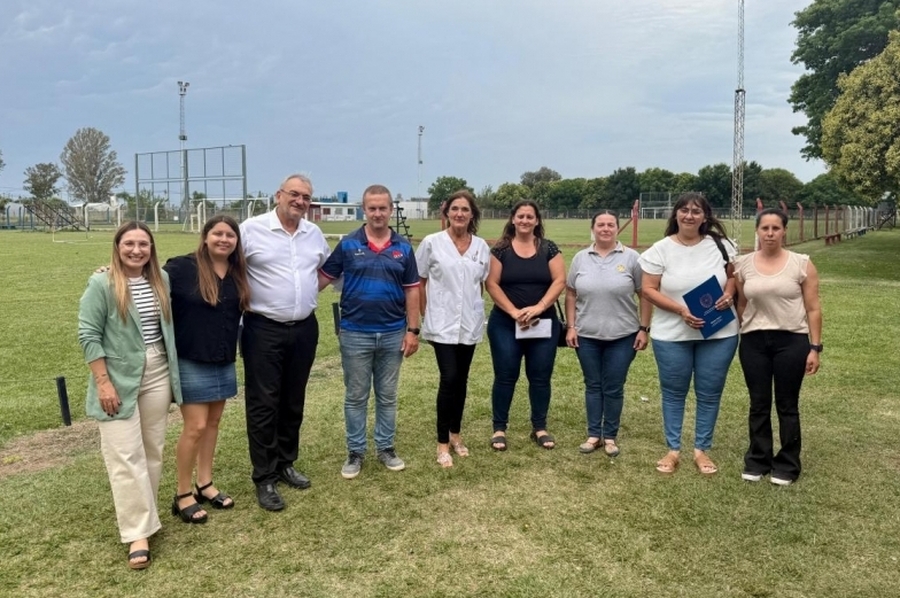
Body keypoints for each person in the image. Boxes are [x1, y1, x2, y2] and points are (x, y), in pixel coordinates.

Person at [78, 221, 182, 570]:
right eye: (129, 244)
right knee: (125, 455)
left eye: (143, 244)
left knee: (152, 449)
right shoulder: (102, 283)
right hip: (118, 376)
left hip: (158, 372)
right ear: (117, 246)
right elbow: (88, 334)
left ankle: (146, 517)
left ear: (152, 249)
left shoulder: (161, 280)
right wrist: (103, 382)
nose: (137, 250)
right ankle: (137, 533)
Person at [240, 174, 330, 511]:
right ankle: (264, 476)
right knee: (264, 403)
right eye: (294, 194)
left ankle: (285, 463)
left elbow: (326, 270)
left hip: (304, 328)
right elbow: (219, 261)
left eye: (306, 197)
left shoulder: (313, 233)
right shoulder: (251, 229)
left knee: (293, 400)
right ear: (278, 195)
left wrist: (303, 294)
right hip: (262, 328)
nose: (300, 201)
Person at [319, 184, 421, 479]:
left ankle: (386, 447)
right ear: (364, 210)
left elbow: (412, 291)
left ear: (391, 210)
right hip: (355, 333)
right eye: (372, 208)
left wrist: (413, 330)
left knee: (387, 396)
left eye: (383, 208)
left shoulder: (403, 247)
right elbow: (322, 279)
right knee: (356, 396)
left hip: (392, 332)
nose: (377, 213)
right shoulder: (349, 244)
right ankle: (355, 452)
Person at [639, 192, 738, 476]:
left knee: (709, 393)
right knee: (673, 393)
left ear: (705, 216)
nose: (690, 215)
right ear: (676, 215)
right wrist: (681, 310)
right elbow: (648, 290)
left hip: (719, 333)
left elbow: (733, 276)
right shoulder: (659, 250)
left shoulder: (721, 245)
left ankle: (701, 449)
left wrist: (729, 294)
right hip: (671, 335)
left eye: (696, 211)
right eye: (684, 210)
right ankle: (673, 450)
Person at [165, 215, 250, 522]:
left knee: (213, 424)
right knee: (195, 427)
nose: (224, 239)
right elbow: (146, 281)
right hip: (191, 357)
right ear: (205, 237)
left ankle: (205, 483)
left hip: (223, 358)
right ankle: (182, 493)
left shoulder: (238, 272)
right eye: (218, 234)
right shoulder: (181, 268)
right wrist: (110, 271)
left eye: (230, 235)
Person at [735, 208, 822, 486]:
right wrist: (743, 328)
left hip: (791, 342)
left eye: (775, 228)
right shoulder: (743, 264)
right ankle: (758, 460)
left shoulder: (802, 264)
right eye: (765, 229)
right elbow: (741, 303)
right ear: (758, 231)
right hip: (754, 342)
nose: (770, 234)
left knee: (787, 404)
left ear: (784, 231)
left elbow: (813, 308)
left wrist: (815, 347)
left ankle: (787, 464)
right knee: (758, 403)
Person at [565, 211, 651, 457]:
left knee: (613, 386)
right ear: (593, 228)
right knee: (593, 385)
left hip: (622, 336)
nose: (605, 228)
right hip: (587, 335)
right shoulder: (581, 258)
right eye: (600, 225)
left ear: (616, 228)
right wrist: (571, 326)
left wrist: (644, 329)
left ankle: (610, 436)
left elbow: (644, 294)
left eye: (610, 224)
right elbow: (571, 292)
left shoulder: (632, 258)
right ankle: (594, 435)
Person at [415, 190, 491, 468]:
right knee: (449, 379)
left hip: (469, 324)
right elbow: (418, 281)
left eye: (465, 209)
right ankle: (442, 443)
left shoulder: (481, 247)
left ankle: (456, 434)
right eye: (455, 209)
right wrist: (425, 313)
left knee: (462, 380)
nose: (460, 214)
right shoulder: (432, 243)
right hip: (442, 324)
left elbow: (482, 284)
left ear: (472, 214)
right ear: (446, 212)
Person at [485, 200, 566, 451]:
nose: (524, 221)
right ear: (512, 219)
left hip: (543, 323)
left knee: (540, 377)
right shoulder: (500, 249)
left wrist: (539, 308)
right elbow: (492, 284)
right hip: (505, 324)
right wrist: (514, 312)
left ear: (537, 221)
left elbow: (559, 280)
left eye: (530, 217)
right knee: (506, 375)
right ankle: (499, 428)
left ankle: (539, 427)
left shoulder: (549, 248)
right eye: (520, 216)